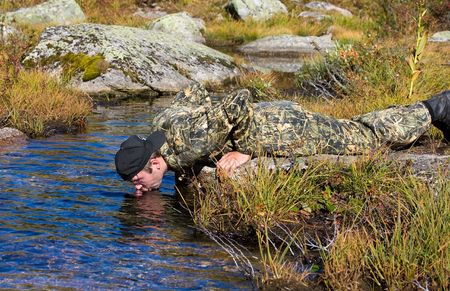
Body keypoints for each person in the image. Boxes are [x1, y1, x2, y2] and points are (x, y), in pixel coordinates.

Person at [114, 83, 450, 196]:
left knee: (367, 139)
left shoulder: (186, 142)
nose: (138, 188)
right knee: (354, 127)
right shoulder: (161, 125)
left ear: (155, 162)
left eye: (138, 179)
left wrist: (243, 151)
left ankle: (436, 108)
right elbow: (193, 91)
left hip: (286, 130)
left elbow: (238, 101)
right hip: (273, 114)